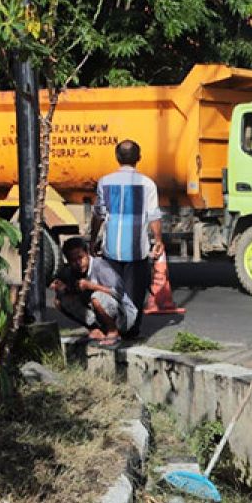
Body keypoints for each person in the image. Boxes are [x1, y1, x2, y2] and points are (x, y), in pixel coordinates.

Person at [90, 140, 163, 338]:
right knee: (134, 294)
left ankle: (112, 327)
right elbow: (153, 215)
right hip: (137, 250)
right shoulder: (147, 184)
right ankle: (131, 330)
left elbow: (99, 214)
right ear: (139, 158)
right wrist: (158, 240)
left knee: (112, 290)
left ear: (117, 157)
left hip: (111, 249)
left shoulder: (105, 182)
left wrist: (92, 239)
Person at [51, 237, 138, 350]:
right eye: (73, 260)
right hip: (99, 315)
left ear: (87, 254)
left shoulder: (100, 266)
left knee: (96, 297)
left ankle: (113, 332)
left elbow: (118, 293)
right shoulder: (70, 272)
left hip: (125, 315)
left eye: (80, 258)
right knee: (60, 300)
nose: (78, 263)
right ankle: (95, 330)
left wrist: (92, 286)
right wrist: (63, 288)